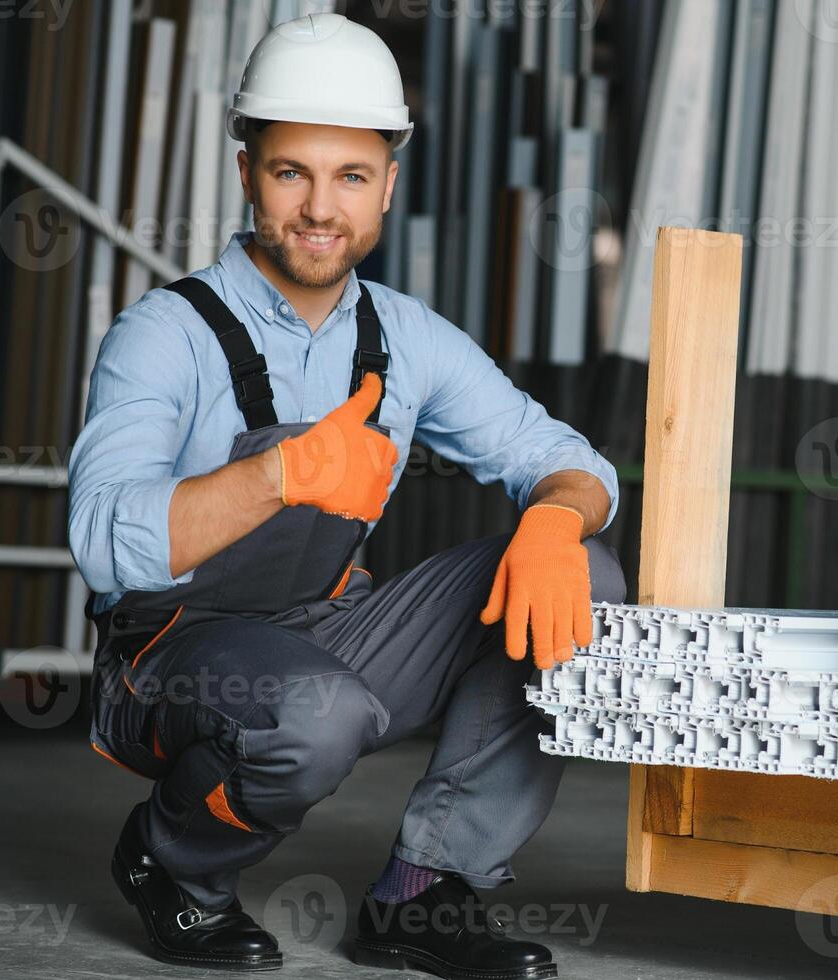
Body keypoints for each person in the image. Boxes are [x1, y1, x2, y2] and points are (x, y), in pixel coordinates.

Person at [67, 13, 623, 979]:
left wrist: (555, 518)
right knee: (315, 713)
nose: (320, 207)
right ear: (247, 170)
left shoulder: (409, 338)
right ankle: (174, 865)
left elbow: (566, 457)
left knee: (586, 577)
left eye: (351, 177)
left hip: (330, 625)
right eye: (292, 173)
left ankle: (422, 893)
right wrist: (276, 475)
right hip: (169, 651)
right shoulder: (164, 334)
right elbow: (103, 542)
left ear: (387, 185)